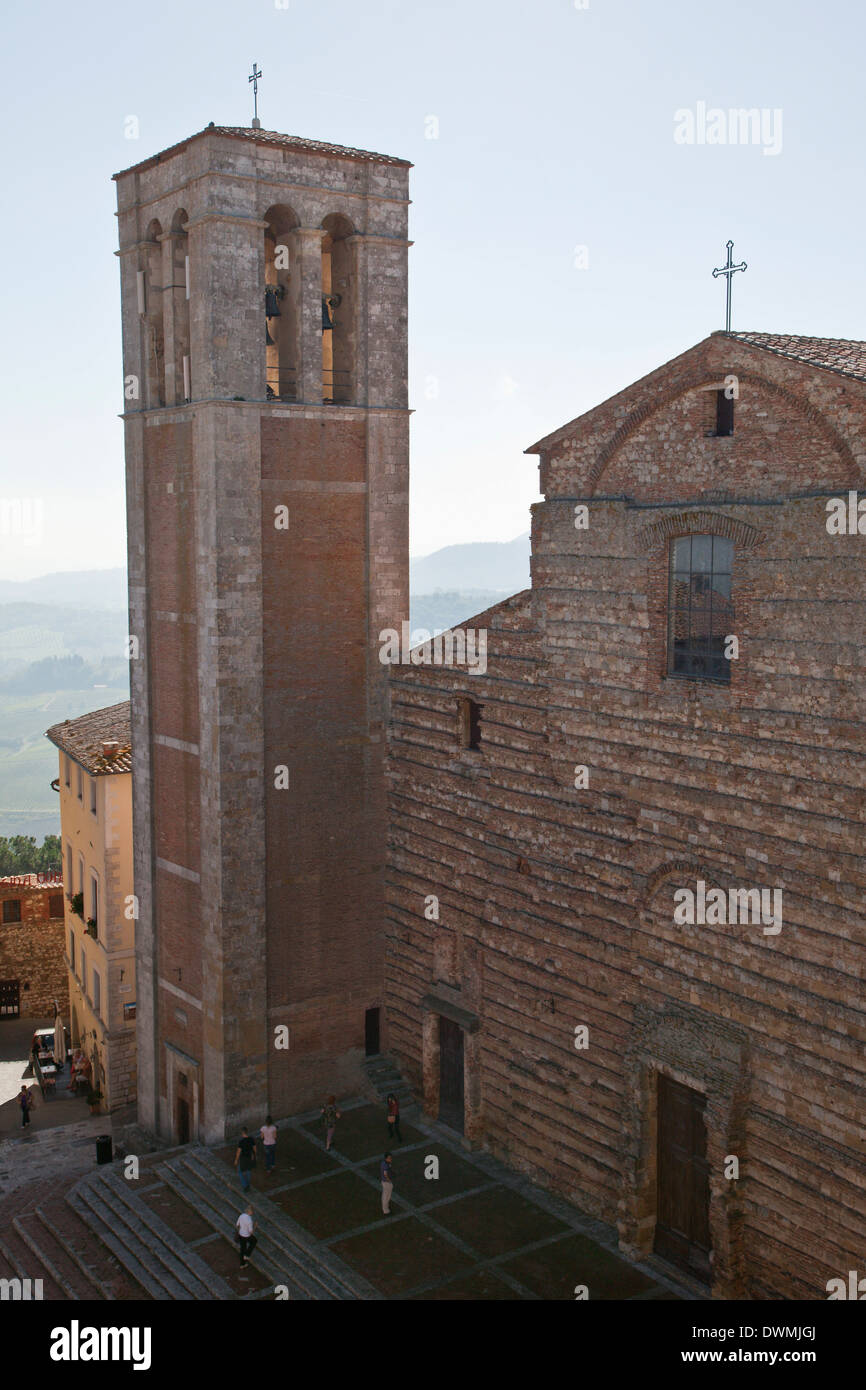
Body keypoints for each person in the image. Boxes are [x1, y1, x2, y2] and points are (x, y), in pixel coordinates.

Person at [234, 1127, 257, 1192]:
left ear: (242, 1133)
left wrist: (236, 1159)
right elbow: (255, 1148)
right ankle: (248, 1184)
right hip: (250, 1157)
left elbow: (238, 1152)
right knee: (248, 1171)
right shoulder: (251, 1139)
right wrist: (255, 1155)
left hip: (243, 1158)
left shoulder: (241, 1141)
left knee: (240, 1171)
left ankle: (245, 1185)